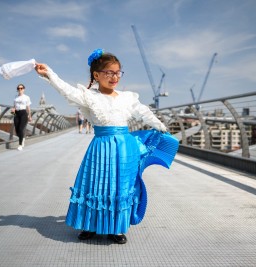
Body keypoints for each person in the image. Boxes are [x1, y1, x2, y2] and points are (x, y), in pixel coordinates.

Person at [34, 49, 178, 244]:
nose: (115, 77)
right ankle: (90, 224)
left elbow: (143, 112)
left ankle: (116, 227)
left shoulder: (127, 97)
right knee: (96, 182)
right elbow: (66, 90)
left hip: (125, 147)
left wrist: (159, 126)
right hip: (101, 146)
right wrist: (49, 74)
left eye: (118, 72)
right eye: (109, 73)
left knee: (120, 185)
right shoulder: (88, 96)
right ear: (96, 75)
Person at [11, 84, 32, 151]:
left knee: (20, 128)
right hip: (16, 114)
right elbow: (14, 106)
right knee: (17, 130)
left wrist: (30, 116)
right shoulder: (15, 97)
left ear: (24, 89)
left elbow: (28, 108)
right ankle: (22, 138)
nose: (20, 89)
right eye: (18, 88)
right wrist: (13, 110)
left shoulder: (27, 97)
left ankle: (20, 145)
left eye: (21, 88)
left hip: (23, 113)